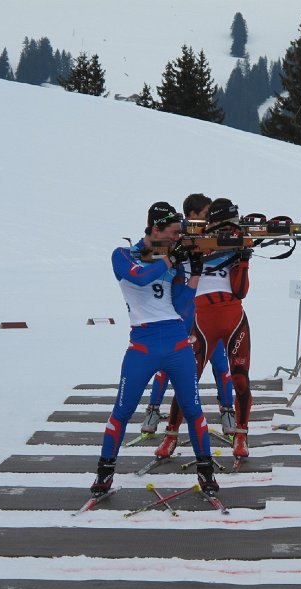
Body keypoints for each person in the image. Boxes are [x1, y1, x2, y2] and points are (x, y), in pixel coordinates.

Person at [91, 201, 218, 497]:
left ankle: (206, 472)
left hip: (175, 341)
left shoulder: (171, 258)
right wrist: (171, 259)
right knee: (122, 411)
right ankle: (104, 473)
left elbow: (182, 305)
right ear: (156, 228)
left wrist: (194, 274)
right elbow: (139, 277)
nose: (177, 237)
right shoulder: (123, 255)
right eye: (173, 232)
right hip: (143, 343)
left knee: (193, 410)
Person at [155, 198, 253, 459]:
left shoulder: (234, 243)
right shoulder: (190, 239)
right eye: (226, 223)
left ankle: (241, 435)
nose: (230, 228)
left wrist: (243, 260)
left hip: (233, 316)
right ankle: (171, 434)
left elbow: (241, 291)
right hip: (201, 319)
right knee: (187, 379)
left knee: (240, 378)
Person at [141, 193, 235, 435]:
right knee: (167, 363)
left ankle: (227, 409)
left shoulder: (215, 236)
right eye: (205, 215)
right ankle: (153, 409)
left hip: (208, 313)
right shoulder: (177, 236)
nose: (209, 219)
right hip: (183, 313)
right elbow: (148, 251)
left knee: (220, 362)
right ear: (192, 216)